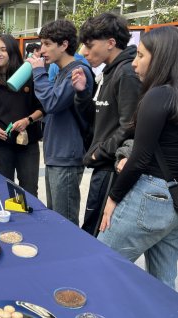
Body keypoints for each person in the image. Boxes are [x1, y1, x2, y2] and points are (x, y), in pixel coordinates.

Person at [97, 26, 178, 291]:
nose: (134, 62)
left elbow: (141, 158)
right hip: (174, 199)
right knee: (162, 284)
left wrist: (113, 198)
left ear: (161, 57)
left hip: (150, 195)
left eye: (141, 55)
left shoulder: (158, 95)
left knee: (101, 264)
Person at [73, 13, 141, 236]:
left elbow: (130, 124)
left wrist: (98, 153)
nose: (84, 52)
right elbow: (98, 118)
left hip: (111, 168)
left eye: (89, 45)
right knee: (92, 226)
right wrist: (83, 93)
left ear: (111, 43)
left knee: (96, 232)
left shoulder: (127, 72)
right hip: (102, 165)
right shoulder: (109, 71)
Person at [27, 20, 94, 224]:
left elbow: (52, 103)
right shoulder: (62, 71)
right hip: (57, 155)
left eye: (47, 44)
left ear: (64, 45)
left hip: (67, 156)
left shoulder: (78, 71)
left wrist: (38, 72)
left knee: (65, 221)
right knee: (55, 216)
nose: (42, 50)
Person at [0, 34, 44, 197]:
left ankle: (29, 222)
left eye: (3, 50)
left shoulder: (28, 77)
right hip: (2, 145)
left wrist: (28, 120)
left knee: (29, 190)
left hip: (28, 144)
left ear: (12, 52)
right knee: (5, 189)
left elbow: (43, 108)